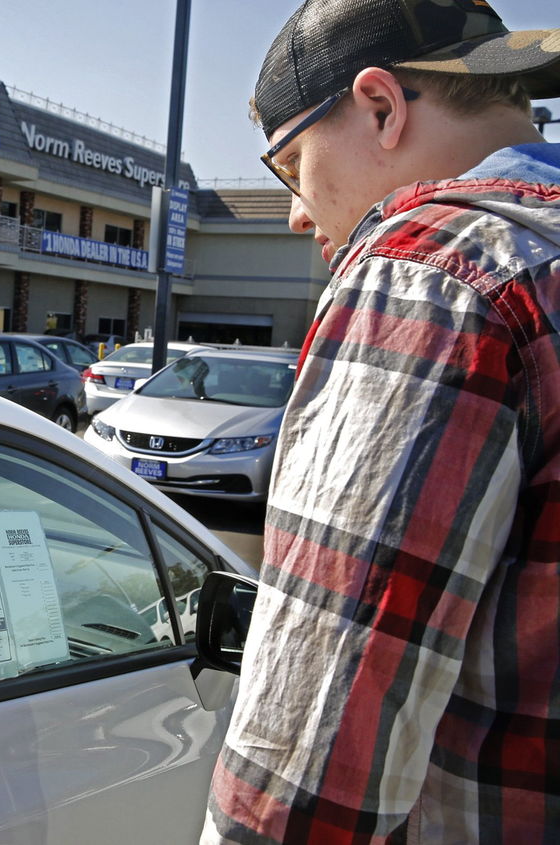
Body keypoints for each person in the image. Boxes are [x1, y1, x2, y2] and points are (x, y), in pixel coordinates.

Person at [204, 2, 560, 843]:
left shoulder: (434, 275)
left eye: (292, 162)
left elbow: (313, 763)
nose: (296, 212)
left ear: (380, 107)